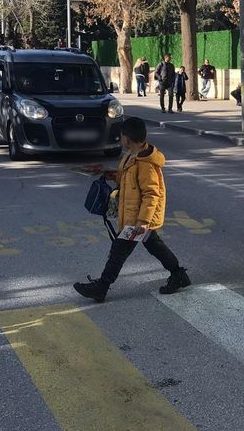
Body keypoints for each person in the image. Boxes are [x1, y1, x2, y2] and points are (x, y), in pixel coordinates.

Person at [73, 117, 191, 302]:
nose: (121, 139)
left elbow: (152, 194)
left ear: (127, 138)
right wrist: (109, 174)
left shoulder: (145, 164)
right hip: (133, 216)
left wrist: (143, 222)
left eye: (121, 136)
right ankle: (178, 274)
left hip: (138, 219)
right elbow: (125, 179)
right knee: (154, 246)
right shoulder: (130, 157)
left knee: (119, 251)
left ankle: (102, 287)